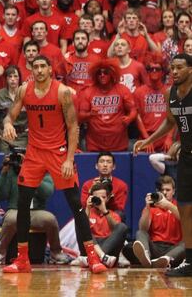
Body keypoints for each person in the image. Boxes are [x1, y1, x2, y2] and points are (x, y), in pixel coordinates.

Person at [2, 55, 108, 273]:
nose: (39, 70)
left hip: (58, 153)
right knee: (22, 205)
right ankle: (22, 259)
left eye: (43, 66)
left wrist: (69, 158)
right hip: (34, 153)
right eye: (35, 66)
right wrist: (7, 125)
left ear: (50, 70)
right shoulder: (24, 90)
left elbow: (73, 127)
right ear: (31, 70)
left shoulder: (62, 92)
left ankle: (92, 258)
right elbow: (9, 116)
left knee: (76, 206)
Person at [134, 53, 192, 277]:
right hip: (187, 158)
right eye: (172, 68)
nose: (174, 72)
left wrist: (177, 142)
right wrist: (149, 140)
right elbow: (170, 122)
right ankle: (189, 261)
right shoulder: (171, 94)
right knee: (186, 209)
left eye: (179, 68)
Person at [0, 153, 71, 265]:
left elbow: (47, 192)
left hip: (36, 211)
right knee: (10, 219)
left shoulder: (44, 172)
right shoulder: (11, 172)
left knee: (50, 219)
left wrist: (30, 173)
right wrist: (4, 173)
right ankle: (1, 251)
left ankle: (56, 252)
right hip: (16, 210)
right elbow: (0, 195)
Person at [130, 175, 185, 269]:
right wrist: (147, 207)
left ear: (174, 191)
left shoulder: (179, 206)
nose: (164, 192)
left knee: (187, 242)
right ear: (157, 191)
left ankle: (165, 259)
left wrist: (168, 205)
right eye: (162, 190)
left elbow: (185, 220)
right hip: (154, 246)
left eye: (168, 190)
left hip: (173, 248)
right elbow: (143, 228)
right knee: (140, 233)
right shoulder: (152, 207)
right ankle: (146, 257)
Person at [85, 181, 129, 263]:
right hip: (92, 246)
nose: (100, 200)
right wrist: (87, 208)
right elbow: (83, 230)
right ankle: (100, 256)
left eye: (103, 197)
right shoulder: (88, 212)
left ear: (108, 198)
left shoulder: (114, 215)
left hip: (109, 248)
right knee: (81, 224)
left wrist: (104, 211)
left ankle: (93, 259)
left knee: (122, 227)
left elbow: (116, 231)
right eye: (96, 197)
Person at [80, 152, 129, 217]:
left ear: (113, 166)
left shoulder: (121, 185)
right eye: (102, 161)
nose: (105, 165)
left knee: (120, 214)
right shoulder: (87, 184)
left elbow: (119, 209)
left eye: (108, 162)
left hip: (111, 215)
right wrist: (91, 191)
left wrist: (110, 196)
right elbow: (83, 206)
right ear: (96, 166)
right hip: (92, 214)